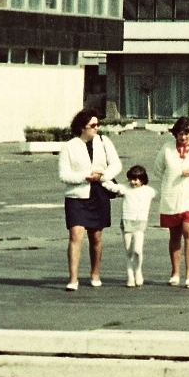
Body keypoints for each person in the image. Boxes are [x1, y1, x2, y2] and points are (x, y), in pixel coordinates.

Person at [57, 109, 122, 291]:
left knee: (96, 237)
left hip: (99, 193)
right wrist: (86, 176)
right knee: (75, 236)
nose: (96, 128)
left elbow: (116, 164)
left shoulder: (104, 141)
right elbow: (64, 175)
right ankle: (73, 278)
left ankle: (95, 273)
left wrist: (103, 176)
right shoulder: (69, 147)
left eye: (98, 125)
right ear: (82, 127)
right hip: (77, 196)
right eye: (92, 125)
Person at [153, 116, 189, 289]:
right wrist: (171, 178)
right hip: (171, 197)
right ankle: (175, 272)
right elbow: (158, 170)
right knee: (174, 236)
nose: (183, 137)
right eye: (180, 133)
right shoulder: (167, 148)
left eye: (187, 133)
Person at [118, 165, 155, 287]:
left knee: (137, 250)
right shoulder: (125, 189)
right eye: (132, 179)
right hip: (127, 221)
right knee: (128, 252)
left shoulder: (149, 191)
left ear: (143, 179)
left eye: (137, 179)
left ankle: (138, 271)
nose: (134, 182)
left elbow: (160, 192)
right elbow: (112, 187)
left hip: (140, 222)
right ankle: (130, 277)